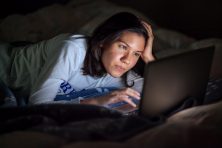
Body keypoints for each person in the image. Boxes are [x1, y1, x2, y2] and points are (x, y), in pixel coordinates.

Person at [0, 12, 155, 108]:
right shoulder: (73, 49)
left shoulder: (118, 69)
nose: (127, 60)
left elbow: (151, 92)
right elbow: (39, 104)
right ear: (103, 41)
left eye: (136, 54)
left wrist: (148, 58)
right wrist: (97, 102)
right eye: (122, 47)